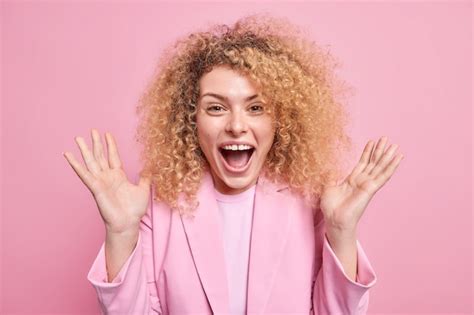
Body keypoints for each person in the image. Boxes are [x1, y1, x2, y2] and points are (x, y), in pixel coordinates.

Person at [63, 13, 403, 315]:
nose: (237, 125)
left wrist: (341, 231)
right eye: (216, 107)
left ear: (280, 120)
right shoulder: (156, 202)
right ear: (190, 119)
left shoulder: (311, 200)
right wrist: (121, 233)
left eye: (256, 108)